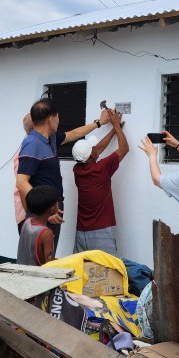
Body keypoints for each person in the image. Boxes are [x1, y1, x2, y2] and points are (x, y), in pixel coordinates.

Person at [16, 98, 111, 250]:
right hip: (43, 212)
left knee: (48, 255)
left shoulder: (49, 138)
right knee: (42, 260)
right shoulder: (32, 144)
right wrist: (44, 211)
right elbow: (21, 182)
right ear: (51, 119)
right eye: (58, 117)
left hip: (53, 208)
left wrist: (99, 122)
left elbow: (73, 134)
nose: (59, 120)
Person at [71, 108, 128, 254]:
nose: (95, 148)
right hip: (100, 234)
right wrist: (115, 125)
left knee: (84, 271)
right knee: (108, 272)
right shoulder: (101, 169)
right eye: (92, 149)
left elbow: (97, 150)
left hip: (81, 232)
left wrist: (115, 130)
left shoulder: (77, 169)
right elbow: (124, 149)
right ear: (91, 156)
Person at [16, 185, 61, 266]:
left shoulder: (27, 222)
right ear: (51, 209)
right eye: (56, 203)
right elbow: (50, 263)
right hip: (37, 276)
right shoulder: (46, 233)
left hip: (21, 272)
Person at [13, 113, 34, 233]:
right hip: (28, 213)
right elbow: (21, 185)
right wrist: (31, 215)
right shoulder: (27, 151)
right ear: (32, 128)